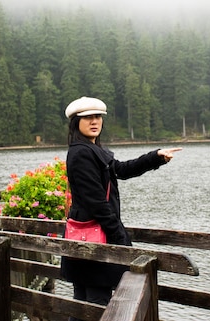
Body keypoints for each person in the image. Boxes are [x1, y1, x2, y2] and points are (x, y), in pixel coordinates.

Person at [60, 96, 181, 316]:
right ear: (76, 122)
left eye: (98, 117)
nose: (94, 121)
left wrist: (155, 157)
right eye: (87, 117)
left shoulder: (92, 150)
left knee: (83, 305)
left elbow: (122, 169)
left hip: (84, 239)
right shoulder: (82, 154)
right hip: (95, 241)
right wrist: (121, 239)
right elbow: (97, 203)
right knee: (98, 305)